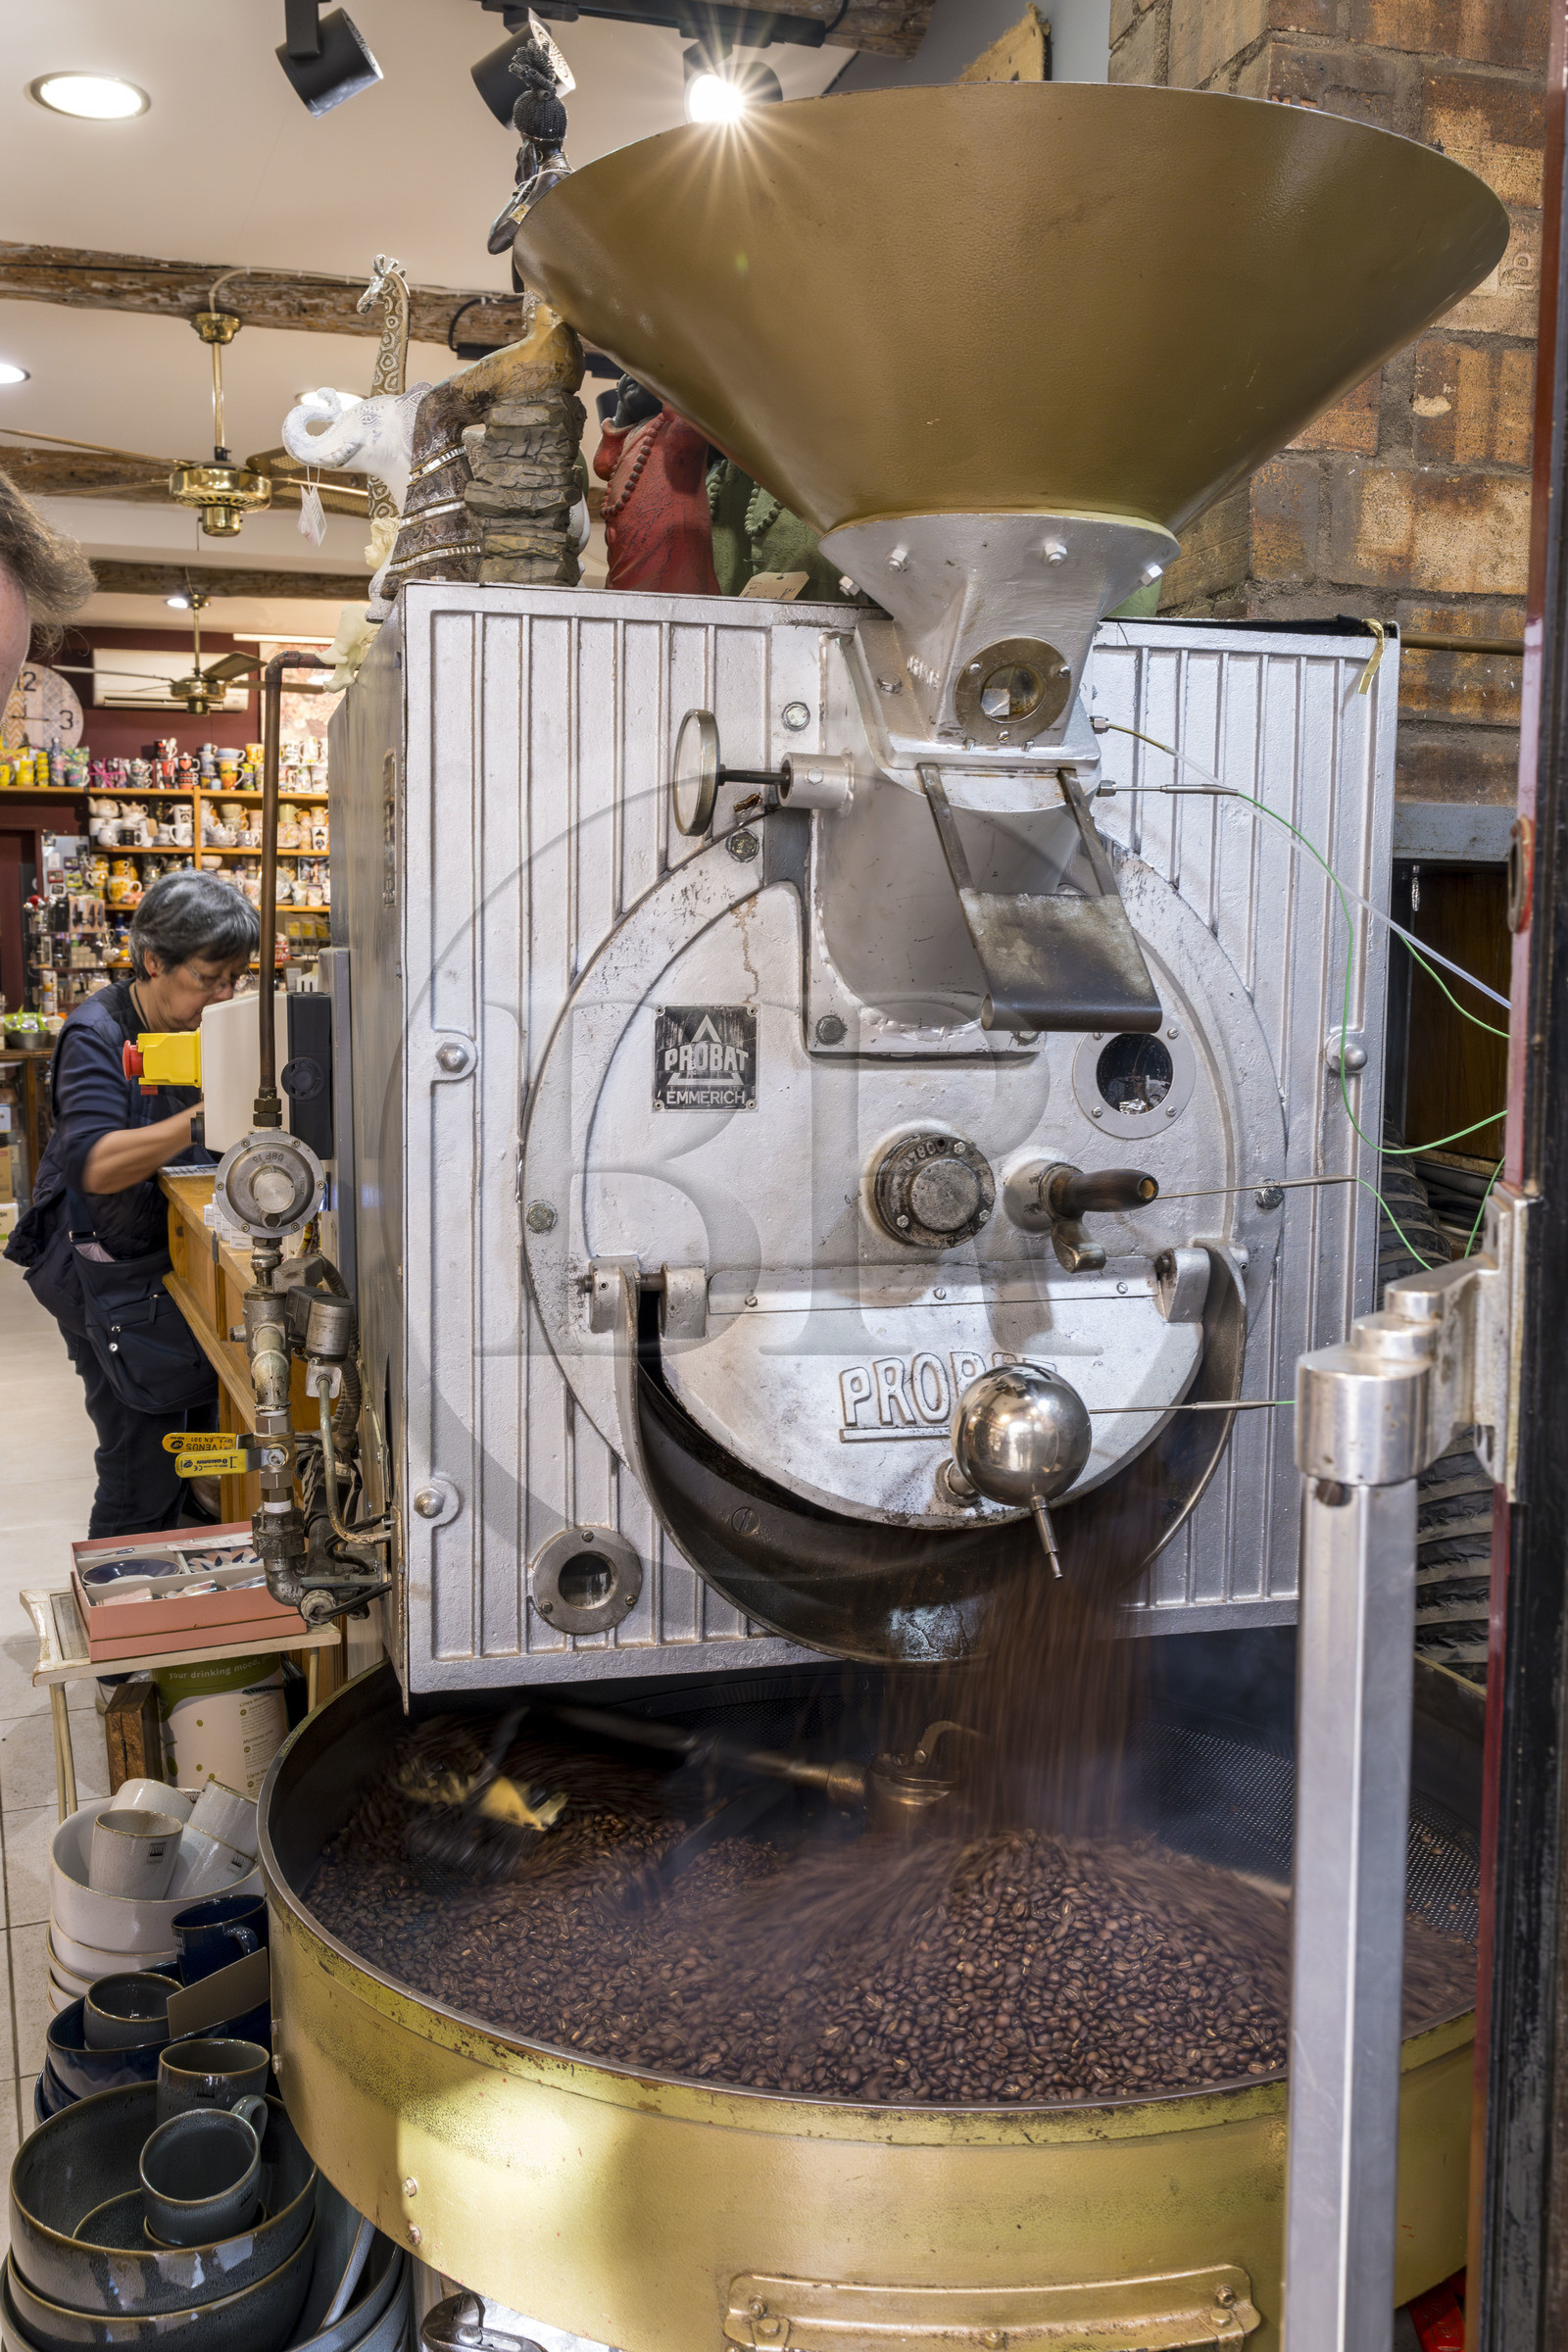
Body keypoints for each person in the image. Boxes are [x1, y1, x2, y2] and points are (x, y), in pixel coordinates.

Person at [8, 873, 260, 1535]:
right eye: (209, 978)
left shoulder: (197, 1027)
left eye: (235, 978)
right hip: (105, 1280)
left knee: (195, 1452)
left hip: (165, 1273)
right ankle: (123, 1589)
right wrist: (202, 1120)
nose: (224, 995)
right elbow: (95, 1163)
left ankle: (183, 1586)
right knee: (139, 1472)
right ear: (154, 961)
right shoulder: (94, 1034)